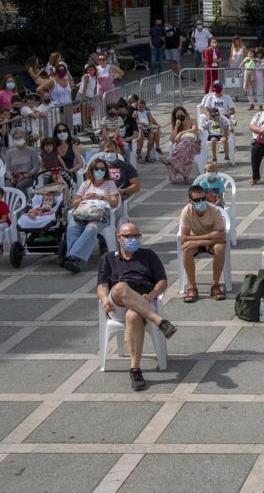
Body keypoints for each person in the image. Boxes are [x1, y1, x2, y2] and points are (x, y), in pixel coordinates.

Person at [96, 222, 177, 390]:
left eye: (136, 236)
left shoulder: (148, 255)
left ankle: (135, 369)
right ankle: (160, 321)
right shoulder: (109, 258)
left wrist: (153, 295)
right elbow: (102, 285)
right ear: (119, 238)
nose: (132, 239)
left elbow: (162, 280)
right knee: (120, 287)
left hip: (143, 301)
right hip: (117, 304)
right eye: (128, 236)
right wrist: (104, 300)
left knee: (133, 316)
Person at [63, 158, 119, 273]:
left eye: (102, 169)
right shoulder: (85, 184)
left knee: (91, 228)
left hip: (100, 215)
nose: (99, 171)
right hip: (83, 213)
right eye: (97, 169)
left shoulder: (109, 183)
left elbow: (115, 202)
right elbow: (74, 204)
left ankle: (72, 257)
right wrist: (84, 198)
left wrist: (101, 197)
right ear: (92, 170)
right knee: (73, 227)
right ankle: (74, 260)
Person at [178, 185, 227, 302]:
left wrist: (199, 241)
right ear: (190, 201)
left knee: (220, 248)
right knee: (186, 249)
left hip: (209, 242)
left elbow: (221, 237)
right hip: (196, 240)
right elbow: (184, 237)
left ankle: (215, 284)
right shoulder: (186, 211)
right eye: (197, 200)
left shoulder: (215, 210)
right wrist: (209, 236)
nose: (201, 202)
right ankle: (192, 287)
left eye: (203, 198)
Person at [166, 106, 200, 185]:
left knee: (186, 143)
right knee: (173, 181)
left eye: (181, 114)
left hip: (194, 146)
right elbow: (172, 139)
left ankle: (173, 161)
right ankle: (185, 175)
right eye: (177, 115)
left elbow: (194, 130)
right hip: (181, 148)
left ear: (185, 113)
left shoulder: (192, 121)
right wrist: (176, 127)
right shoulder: (177, 125)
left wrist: (181, 133)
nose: (180, 116)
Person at [4, 128, 40, 194]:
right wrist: (11, 177)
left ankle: (24, 203)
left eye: (20, 137)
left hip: (29, 176)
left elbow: (36, 168)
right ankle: (10, 204)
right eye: (16, 137)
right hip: (14, 176)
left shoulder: (32, 151)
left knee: (20, 185)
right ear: (13, 139)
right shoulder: (9, 152)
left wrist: (24, 176)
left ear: (25, 137)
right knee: (8, 186)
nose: (18, 139)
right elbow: (7, 170)